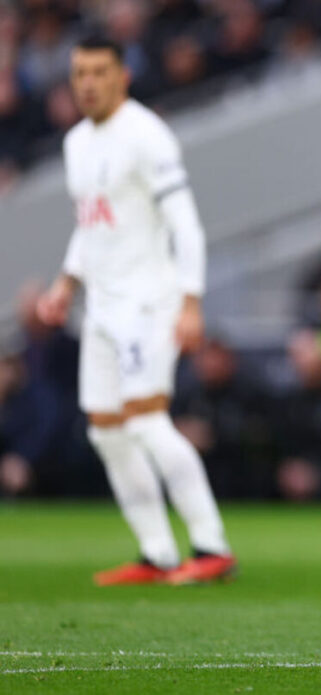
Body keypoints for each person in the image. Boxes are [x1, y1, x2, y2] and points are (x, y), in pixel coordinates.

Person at [36, 34, 236, 586]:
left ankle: (211, 546)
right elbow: (93, 222)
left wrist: (191, 301)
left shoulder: (147, 136)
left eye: (99, 71)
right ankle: (158, 553)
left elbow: (186, 224)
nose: (88, 83)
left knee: (147, 421)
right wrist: (65, 283)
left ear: (123, 75)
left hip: (150, 302)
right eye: (79, 73)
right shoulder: (77, 141)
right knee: (105, 431)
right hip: (100, 307)